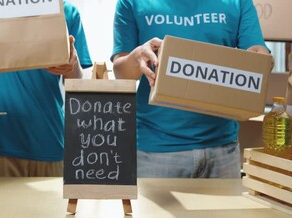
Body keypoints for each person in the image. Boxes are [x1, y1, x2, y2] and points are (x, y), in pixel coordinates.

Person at [111, 0, 273, 178]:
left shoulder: (237, 2)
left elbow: (257, 54)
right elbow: (122, 73)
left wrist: (261, 60)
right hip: (156, 150)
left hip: (222, 148)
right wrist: (137, 57)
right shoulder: (131, 3)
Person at [0, 0, 92, 177]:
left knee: (51, 206)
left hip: (49, 139)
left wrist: (73, 64)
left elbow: (76, 85)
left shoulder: (65, 10)